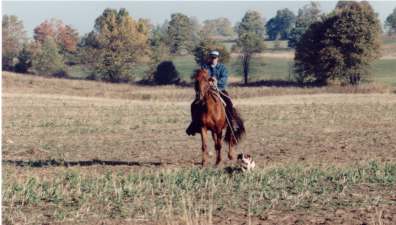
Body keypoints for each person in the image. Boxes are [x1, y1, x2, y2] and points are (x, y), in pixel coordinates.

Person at [186, 50, 236, 136]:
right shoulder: (204, 67)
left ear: (218, 58)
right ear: (209, 58)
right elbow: (200, 78)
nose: (213, 59)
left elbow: (224, 78)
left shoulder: (222, 68)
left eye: (215, 58)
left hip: (220, 89)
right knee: (194, 104)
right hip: (206, 91)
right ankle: (194, 124)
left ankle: (232, 122)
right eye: (212, 57)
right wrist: (206, 83)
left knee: (228, 102)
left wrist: (217, 82)